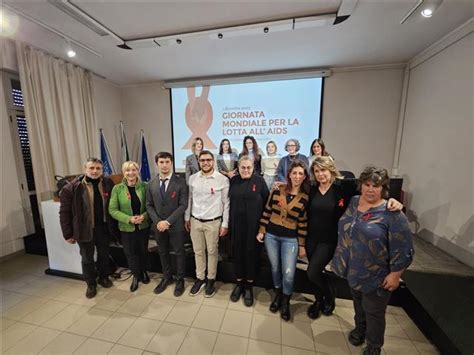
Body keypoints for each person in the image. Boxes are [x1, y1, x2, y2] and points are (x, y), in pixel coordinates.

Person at [305, 157, 403, 319]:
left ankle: (329, 295)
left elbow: (370, 192)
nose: (320, 174)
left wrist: (392, 199)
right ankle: (318, 300)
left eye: (323, 170)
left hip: (329, 240)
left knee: (312, 272)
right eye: (316, 171)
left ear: (330, 170)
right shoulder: (312, 188)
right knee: (314, 273)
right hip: (311, 238)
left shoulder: (343, 186)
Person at [331, 167, 414, 355]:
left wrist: (395, 275)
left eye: (375, 186)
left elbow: (404, 248)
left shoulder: (393, 213)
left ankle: (374, 346)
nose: (370, 189)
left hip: (377, 275)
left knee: (374, 313)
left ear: (383, 188)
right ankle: (360, 330)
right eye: (367, 184)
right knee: (359, 306)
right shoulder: (353, 202)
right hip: (353, 269)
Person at [257, 161, 309, 321]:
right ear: (289, 174)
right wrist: (261, 230)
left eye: (301, 174)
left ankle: (286, 301)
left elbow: (303, 223)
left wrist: (301, 244)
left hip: (290, 239)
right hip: (271, 236)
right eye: (295, 173)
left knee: (288, 273)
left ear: (305, 176)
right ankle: (278, 294)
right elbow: (267, 211)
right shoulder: (277, 190)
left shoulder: (305, 198)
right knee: (274, 268)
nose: (297, 177)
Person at [59, 158, 115, 298]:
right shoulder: (71, 188)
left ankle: (103, 277)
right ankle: (91, 284)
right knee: (87, 258)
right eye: (91, 168)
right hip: (84, 229)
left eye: (98, 168)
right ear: (85, 169)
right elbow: (64, 212)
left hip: (103, 228)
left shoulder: (108, 183)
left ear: (102, 170)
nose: (95, 171)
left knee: (103, 255)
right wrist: (68, 234)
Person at [185, 150, 230, 297]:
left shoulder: (222, 179)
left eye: (208, 160)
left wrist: (225, 224)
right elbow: (190, 200)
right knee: (198, 251)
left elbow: (226, 203)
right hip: (195, 221)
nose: (205, 163)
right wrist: (187, 218)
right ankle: (200, 278)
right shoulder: (192, 179)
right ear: (199, 161)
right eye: (202, 160)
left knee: (212, 252)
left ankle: (211, 279)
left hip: (213, 222)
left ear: (213, 161)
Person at [229, 156, 269, 306]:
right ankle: (239, 284)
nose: (245, 170)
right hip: (236, 227)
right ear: (238, 168)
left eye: (248, 168)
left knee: (252, 256)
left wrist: (263, 229)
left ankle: (249, 287)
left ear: (253, 168)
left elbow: (267, 205)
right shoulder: (233, 181)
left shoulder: (259, 182)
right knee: (237, 254)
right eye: (243, 168)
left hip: (254, 229)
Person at [146, 152, 188, 297]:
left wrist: (168, 221)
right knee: (163, 252)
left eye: (167, 162)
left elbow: (183, 205)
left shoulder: (180, 182)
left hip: (175, 225)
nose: (164, 165)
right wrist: (159, 222)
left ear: (171, 163)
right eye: (161, 162)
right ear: (157, 163)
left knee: (179, 253)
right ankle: (167, 277)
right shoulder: (151, 183)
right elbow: (149, 205)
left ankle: (180, 279)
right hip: (159, 226)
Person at [109, 161, 150, 292]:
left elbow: (152, 206)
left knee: (143, 251)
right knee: (130, 253)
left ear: (138, 171)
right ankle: (136, 275)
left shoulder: (145, 186)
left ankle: (144, 272)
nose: (131, 173)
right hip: (126, 228)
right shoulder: (117, 189)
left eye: (133, 170)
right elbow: (113, 210)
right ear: (123, 172)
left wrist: (144, 216)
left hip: (143, 226)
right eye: (127, 170)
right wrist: (129, 219)